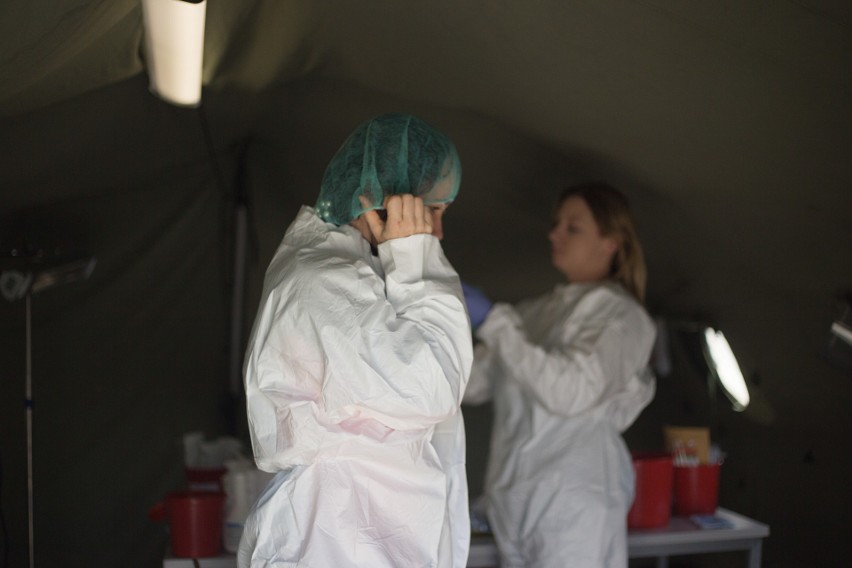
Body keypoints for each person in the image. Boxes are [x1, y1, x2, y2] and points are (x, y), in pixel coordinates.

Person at [239, 113, 474, 568]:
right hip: (339, 537)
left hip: (354, 532)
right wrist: (417, 260)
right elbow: (431, 387)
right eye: (432, 211)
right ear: (383, 199)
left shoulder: (349, 274)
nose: (437, 233)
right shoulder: (324, 281)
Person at [462, 182, 657, 568]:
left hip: (572, 508)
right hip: (514, 505)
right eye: (556, 224)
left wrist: (495, 322)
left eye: (573, 227)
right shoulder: (536, 312)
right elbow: (472, 382)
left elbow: (571, 392)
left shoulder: (622, 317)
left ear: (611, 242)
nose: (554, 234)